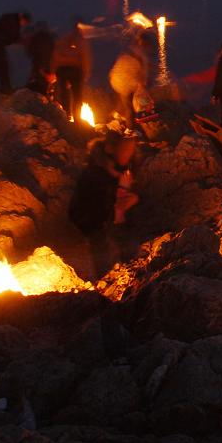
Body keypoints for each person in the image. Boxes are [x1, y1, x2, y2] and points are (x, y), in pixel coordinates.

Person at [69, 131, 139, 277]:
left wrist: (134, 198)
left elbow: (134, 189)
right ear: (111, 148)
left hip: (117, 222)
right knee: (105, 263)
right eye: (125, 150)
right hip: (97, 225)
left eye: (131, 150)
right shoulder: (95, 174)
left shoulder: (125, 167)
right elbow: (93, 208)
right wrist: (118, 206)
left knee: (130, 254)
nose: (129, 154)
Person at [109, 26, 152, 128]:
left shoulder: (132, 48)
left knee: (124, 101)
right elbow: (142, 75)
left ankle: (117, 116)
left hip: (116, 78)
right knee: (129, 106)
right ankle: (130, 128)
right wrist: (142, 86)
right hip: (124, 80)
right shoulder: (141, 55)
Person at [53, 19, 92, 123]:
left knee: (64, 94)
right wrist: (86, 72)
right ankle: (77, 120)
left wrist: (54, 69)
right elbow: (85, 55)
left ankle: (66, 117)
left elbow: (55, 53)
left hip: (62, 69)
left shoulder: (62, 35)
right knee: (77, 96)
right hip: (75, 69)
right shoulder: (80, 37)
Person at [0, 11, 30, 94]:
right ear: (22, 18)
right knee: (3, 65)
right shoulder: (12, 22)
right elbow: (12, 35)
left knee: (4, 65)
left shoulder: (12, 20)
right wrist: (20, 40)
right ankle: (6, 88)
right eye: (24, 23)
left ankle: (6, 87)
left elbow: (13, 36)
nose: (23, 25)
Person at [24, 22, 57, 96]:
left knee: (38, 84)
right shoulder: (52, 38)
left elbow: (30, 52)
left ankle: (39, 99)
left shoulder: (36, 38)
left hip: (40, 67)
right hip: (51, 66)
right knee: (47, 85)